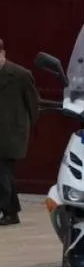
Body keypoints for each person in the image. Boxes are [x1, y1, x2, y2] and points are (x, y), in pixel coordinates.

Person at [0, 38, 40, 226]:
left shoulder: (20, 75)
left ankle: (8, 210)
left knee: (3, 173)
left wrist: (31, 127)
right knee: (5, 174)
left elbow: (33, 104)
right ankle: (11, 213)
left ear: (3, 54)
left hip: (11, 133)